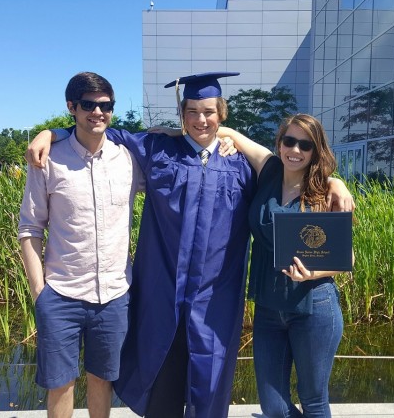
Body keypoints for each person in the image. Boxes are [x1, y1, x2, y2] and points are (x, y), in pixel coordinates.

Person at [26, 73, 353, 418]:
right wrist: (53, 132)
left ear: (221, 114)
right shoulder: (157, 150)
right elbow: (101, 133)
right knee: (161, 384)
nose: (201, 119)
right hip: (163, 299)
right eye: (192, 111)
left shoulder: (242, 166)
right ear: (182, 115)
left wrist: (335, 181)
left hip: (216, 304)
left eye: (209, 111)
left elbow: (300, 175)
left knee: (211, 388)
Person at [18, 72, 144, 418]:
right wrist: (38, 292)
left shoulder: (128, 159)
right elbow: (30, 228)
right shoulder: (48, 159)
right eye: (88, 104)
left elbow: (171, 146)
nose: (98, 112)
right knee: (60, 383)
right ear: (71, 107)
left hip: (115, 295)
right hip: (60, 293)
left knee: (102, 380)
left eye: (105, 105)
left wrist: (223, 136)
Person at [218, 114, 347, 417]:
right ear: (279, 143)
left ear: (315, 151)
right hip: (268, 307)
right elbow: (227, 130)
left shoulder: (324, 192)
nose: (295, 150)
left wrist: (314, 272)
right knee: (273, 406)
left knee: (313, 400)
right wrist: (176, 132)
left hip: (314, 305)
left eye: (306, 145)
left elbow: (347, 258)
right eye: (289, 141)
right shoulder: (269, 170)